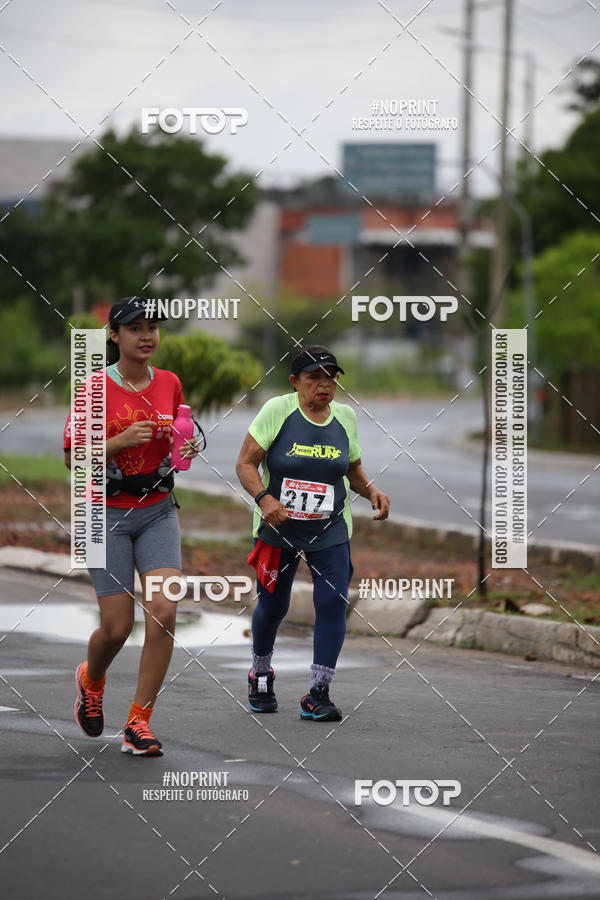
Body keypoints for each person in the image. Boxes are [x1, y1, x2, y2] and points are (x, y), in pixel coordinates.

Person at [63, 297, 199, 756]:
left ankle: (139, 722)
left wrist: (184, 449)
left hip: (157, 509)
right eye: (135, 328)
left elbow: (176, 438)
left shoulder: (170, 383)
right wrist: (118, 441)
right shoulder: (93, 387)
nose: (146, 336)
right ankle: (92, 679)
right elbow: (72, 458)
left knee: (164, 611)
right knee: (117, 627)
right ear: (114, 336)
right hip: (102, 513)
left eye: (152, 327)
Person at [236, 344, 389, 722]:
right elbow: (245, 463)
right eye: (314, 377)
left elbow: (351, 468)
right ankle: (260, 674)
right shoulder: (277, 410)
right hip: (278, 527)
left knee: (332, 602)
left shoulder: (345, 417)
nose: (324, 384)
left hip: (329, 527)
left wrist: (371, 490)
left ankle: (318, 692)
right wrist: (264, 499)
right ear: (295, 381)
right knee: (274, 606)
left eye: (331, 377)